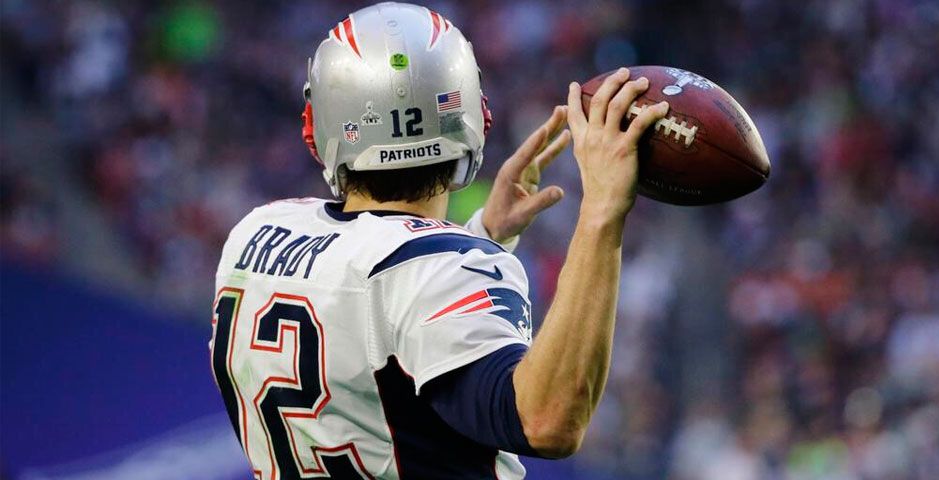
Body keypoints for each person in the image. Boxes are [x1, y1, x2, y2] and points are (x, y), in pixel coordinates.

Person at [209, 3, 669, 479]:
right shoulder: (443, 266)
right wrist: (601, 212)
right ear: (471, 114)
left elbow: (369, 307)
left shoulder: (257, 233)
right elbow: (547, 421)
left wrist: (484, 233)